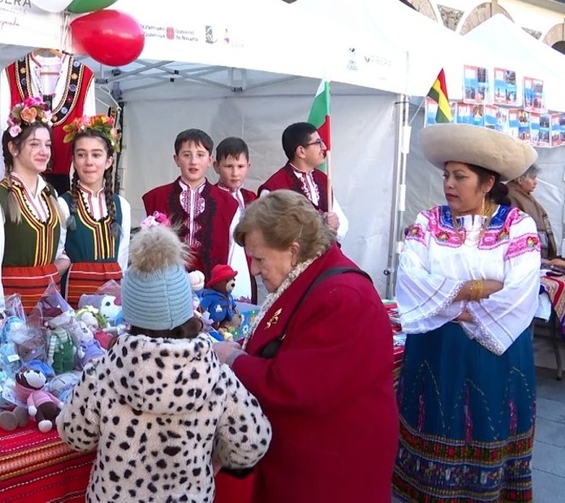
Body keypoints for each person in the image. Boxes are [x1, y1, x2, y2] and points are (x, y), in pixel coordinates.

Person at [58, 224, 270, 502]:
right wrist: (214, 454)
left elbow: (75, 435)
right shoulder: (216, 375)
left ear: (130, 313)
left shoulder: (104, 373)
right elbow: (253, 442)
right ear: (187, 309)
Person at [214, 190, 398, 503]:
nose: (255, 270)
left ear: (293, 250)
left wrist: (234, 360)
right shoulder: (311, 276)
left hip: (333, 468)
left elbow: (296, 386)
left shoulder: (342, 297)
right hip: (309, 457)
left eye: (259, 258)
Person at [393, 123, 540, 502]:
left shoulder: (517, 225)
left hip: (497, 353)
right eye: (447, 175)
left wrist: (442, 299)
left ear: (488, 183)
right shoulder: (428, 222)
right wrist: (478, 291)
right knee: (437, 421)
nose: (449, 184)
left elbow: (519, 290)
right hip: (437, 350)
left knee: (488, 426)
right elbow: (410, 280)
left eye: (460, 176)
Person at [0, 97, 69, 312]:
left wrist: (53, 271)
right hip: (13, 316)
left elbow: (59, 252)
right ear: (13, 148)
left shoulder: (52, 196)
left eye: (47, 144)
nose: (44, 151)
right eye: (34, 144)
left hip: (49, 313)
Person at [142, 129, 238, 277]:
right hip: (165, 282)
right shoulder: (155, 198)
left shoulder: (229, 203)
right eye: (187, 155)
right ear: (176, 159)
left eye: (200, 155)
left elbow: (234, 252)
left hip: (214, 286)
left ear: (210, 160)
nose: (193, 161)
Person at [57, 114, 131, 306]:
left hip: (111, 301)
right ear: (74, 160)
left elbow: (122, 257)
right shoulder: (62, 204)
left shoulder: (121, 205)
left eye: (96, 155)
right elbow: (57, 256)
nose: (89, 162)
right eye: (81, 155)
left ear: (108, 162)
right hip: (74, 298)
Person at [258, 122, 349, 243]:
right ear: (301, 151)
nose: (324, 147)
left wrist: (334, 225)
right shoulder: (275, 188)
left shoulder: (323, 179)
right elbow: (268, 233)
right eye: (318, 143)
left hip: (325, 254)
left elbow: (341, 225)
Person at [213, 136, 258, 303]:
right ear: (216, 166)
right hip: (219, 268)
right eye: (228, 166)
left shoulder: (251, 198)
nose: (235, 173)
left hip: (246, 267)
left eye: (240, 166)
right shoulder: (210, 198)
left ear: (248, 166)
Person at [508, 164, 564, 269]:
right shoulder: (512, 197)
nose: (536, 182)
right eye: (533, 178)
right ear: (520, 180)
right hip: (522, 258)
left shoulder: (524, 195)